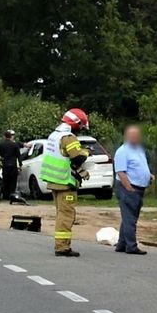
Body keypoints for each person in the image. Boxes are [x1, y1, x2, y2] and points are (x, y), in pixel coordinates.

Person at [40, 109, 90, 257]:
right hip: (65, 182)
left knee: (61, 214)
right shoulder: (69, 137)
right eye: (80, 126)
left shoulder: (54, 136)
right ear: (76, 124)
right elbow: (77, 158)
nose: (80, 130)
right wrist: (86, 152)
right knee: (66, 215)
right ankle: (62, 247)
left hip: (55, 181)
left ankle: (61, 245)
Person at [114, 125, 154, 255]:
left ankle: (122, 244)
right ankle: (131, 246)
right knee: (130, 218)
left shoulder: (138, 149)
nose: (135, 137)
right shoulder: (122, 151)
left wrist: (149, 175)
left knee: (129, 217)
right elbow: (121, 171)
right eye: (132, 135)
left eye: (137, 135)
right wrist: (128, 187)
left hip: (139, 187)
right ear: (127, 136)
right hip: (129, 187)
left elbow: (140, 165)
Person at [0, 130, 22, 200]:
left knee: (5, 180)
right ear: (10, 136)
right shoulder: (14, 144)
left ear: (4, 136)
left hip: (5, 164)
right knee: (13, 181)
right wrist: (20, 165)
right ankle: (12, 195)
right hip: (13, 165)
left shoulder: (1, 144)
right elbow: (19, 155)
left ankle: (5, 196)